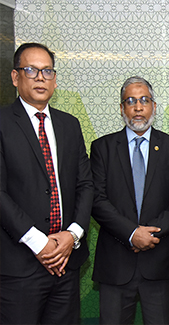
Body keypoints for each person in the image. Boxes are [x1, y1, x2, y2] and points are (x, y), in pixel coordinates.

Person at [0, 42, 93, 324]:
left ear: (55, 79)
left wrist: (72, 235)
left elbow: (85, 185)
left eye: (47, 71)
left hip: (66, 261)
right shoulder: (2, 123)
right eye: (31, 70)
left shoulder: (69, 124)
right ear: (15, 77)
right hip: (19, 264)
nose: (41, 78)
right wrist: (38, 242)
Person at [90, 76, 169, 324]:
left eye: (144, 101)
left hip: (159, 262)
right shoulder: (102, 148)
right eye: (130, 101)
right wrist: (132, 233)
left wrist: (150, 234)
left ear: (154, 106)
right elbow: (97, 200)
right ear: (121, 108)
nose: (138, 108)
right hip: (116, 264)